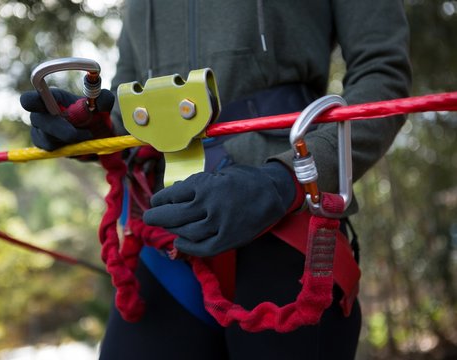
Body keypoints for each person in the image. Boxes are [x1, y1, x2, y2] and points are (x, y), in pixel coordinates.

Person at [20, 1, 411, 359]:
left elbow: (383, 75)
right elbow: (130, 113)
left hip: (288, 221)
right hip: (166, 229)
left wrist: (286, 178)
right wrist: (91, 133)